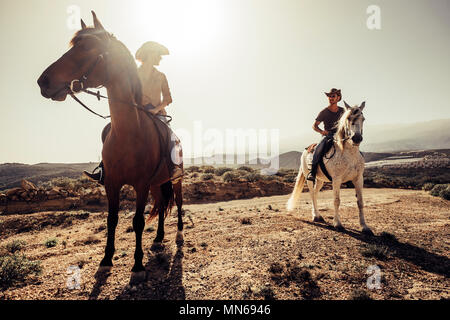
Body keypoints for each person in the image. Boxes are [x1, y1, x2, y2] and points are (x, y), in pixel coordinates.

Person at [83, 41, 174, 184]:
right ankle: (104, 169)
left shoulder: (161, 76)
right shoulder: (134, 74)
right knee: (109, 130)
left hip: (156, 113)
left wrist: (156, 109)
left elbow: (168, 98)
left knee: (170, 136)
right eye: (159, 55)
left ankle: (173, 169)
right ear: (150, 54)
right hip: (136, 111)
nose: (160, 58)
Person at [306, 88, 345, 182]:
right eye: (329, 96)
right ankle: (313, 172)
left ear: (338, 97)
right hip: (328, 136)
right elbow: (314, 126)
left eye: (333, 96)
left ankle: (352, 174)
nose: (330, 98)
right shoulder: (324, 112)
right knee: (319, 148)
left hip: (341, 136)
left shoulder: (343, 111)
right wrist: (322, 132)